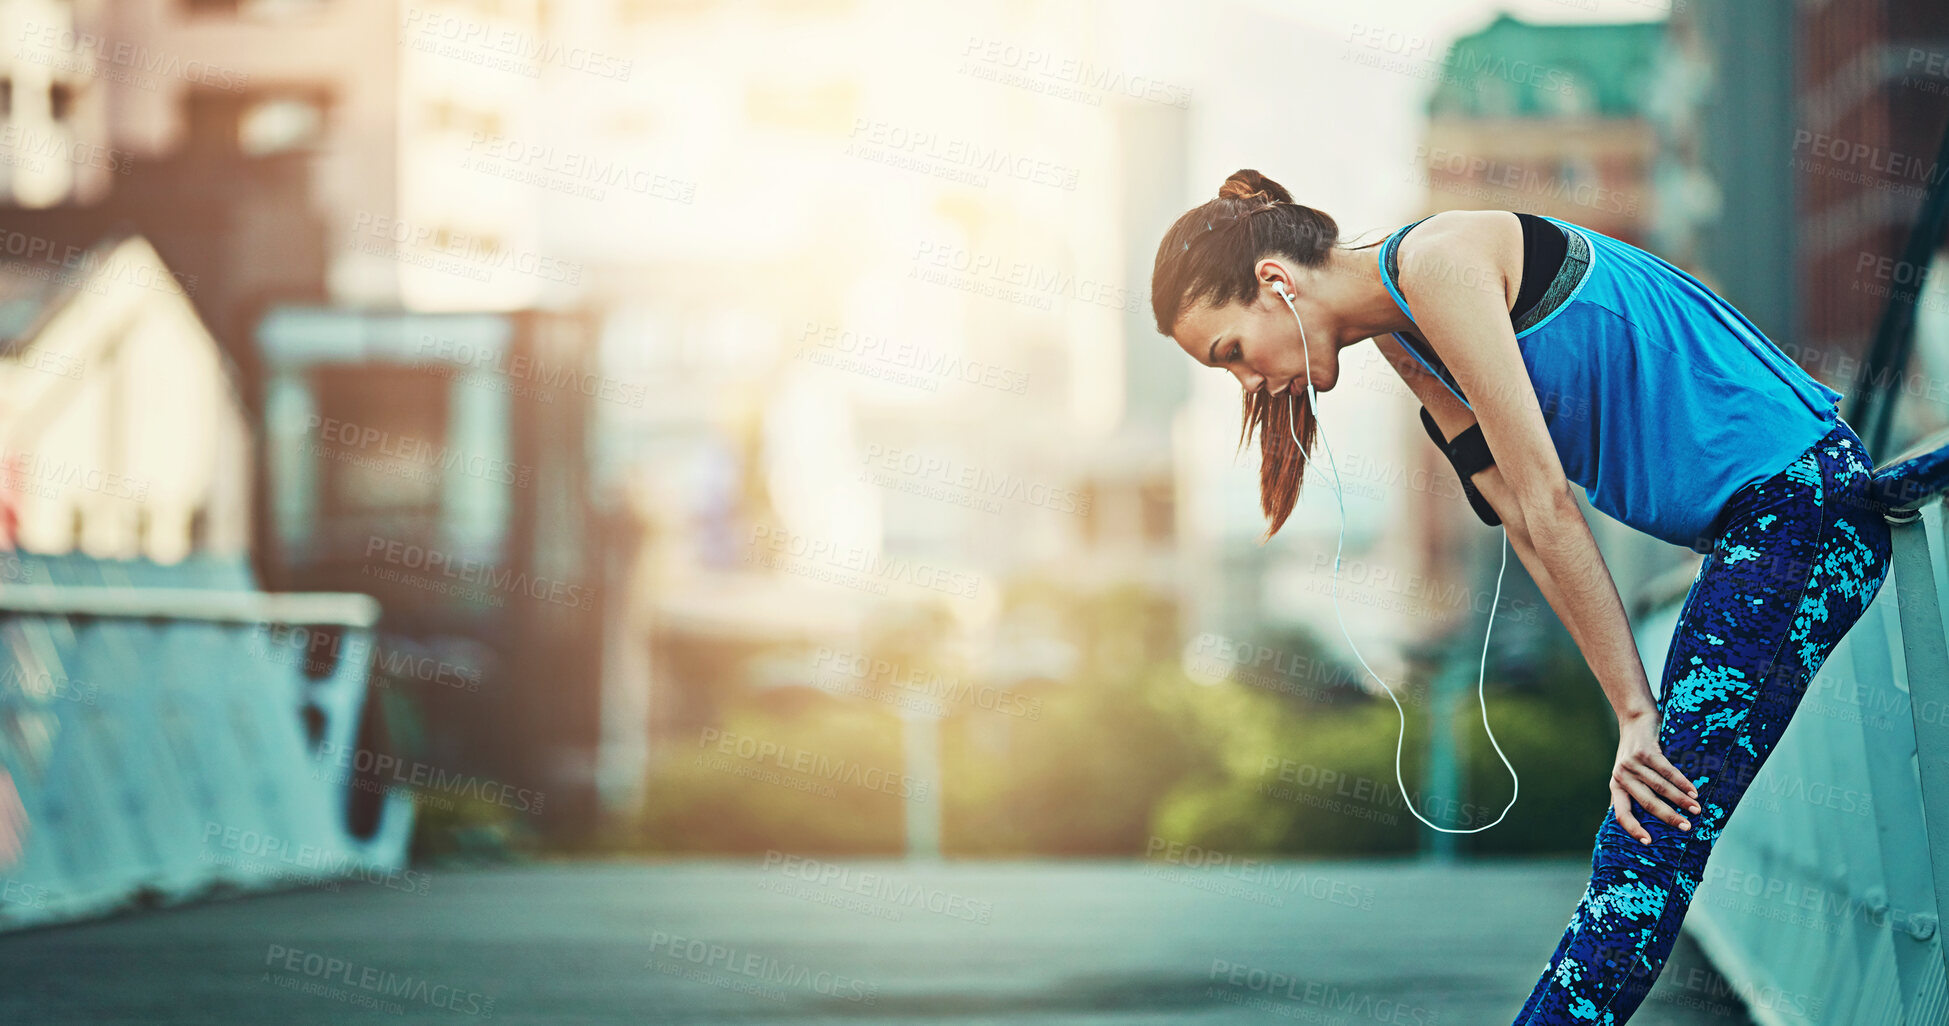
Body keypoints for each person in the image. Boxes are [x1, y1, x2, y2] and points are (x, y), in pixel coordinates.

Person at [1149, 168, 1893, 1024]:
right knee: (1644, 841)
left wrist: (1634, 718)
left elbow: (1548, 496)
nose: (1246, 383)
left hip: (1802, 508)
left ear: (1275, 283)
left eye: (1231, 353)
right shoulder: (1405, 336)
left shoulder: (1438, 264)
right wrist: (1627, 705)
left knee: (1645, 845)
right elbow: (1518, 517)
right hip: (1756, 531)